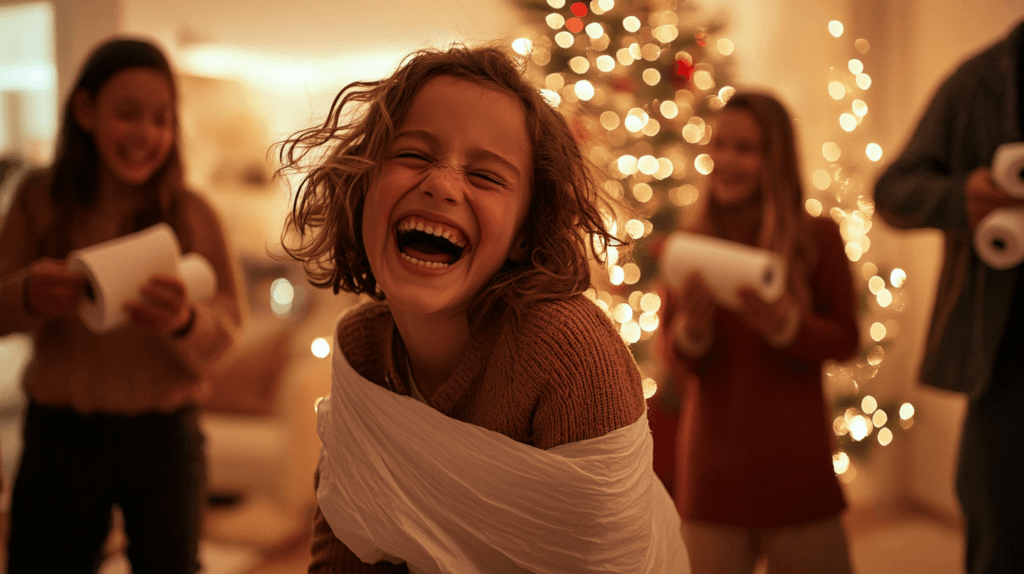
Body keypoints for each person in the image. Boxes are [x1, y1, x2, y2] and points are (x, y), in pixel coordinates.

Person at [277, 45, 689, 573]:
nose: (442, 184)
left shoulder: (568, 354)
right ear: (364, 185)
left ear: (523, 235)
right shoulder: (362, 351)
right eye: (414, 156)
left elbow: (609, 561)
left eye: (487, 176)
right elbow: (344, 551)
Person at [0, 37, 244, 573]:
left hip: (165, 436)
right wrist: (26, 294)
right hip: (60, 432)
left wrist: (184, 321)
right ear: (85, 111)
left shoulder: (193, 211)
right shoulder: (37, 198)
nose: (147, 135)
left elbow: (229, 328)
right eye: (128, 114)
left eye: (162, 119)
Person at [658, 92, 859, 574]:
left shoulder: (818, 238)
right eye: (720, 145)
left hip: (797, 472)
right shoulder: (692, 242)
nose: (726, 160)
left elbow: (846, 339)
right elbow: (674, 357)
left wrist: (787, 325)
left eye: (745, 148)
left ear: (777, 159)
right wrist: (693, 331)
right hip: (713, 478)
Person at [873, 21, 1024, 574]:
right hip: (1007, 362)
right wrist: (964, 195)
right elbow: (892, 191)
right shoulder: (980, 82)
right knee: (1003, 535)